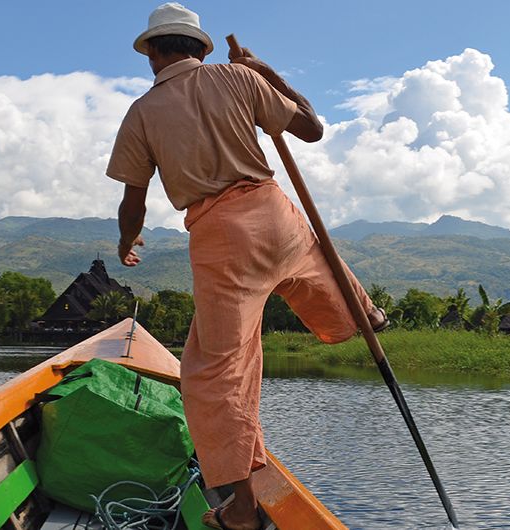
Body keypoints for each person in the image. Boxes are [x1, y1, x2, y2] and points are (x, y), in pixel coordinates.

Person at [106, 4, 387, 529]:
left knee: (215, 374)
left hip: (221, 235)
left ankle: (240, 509)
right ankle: (361, 313)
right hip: (276, 214)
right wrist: (265, 71)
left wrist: (128, 240)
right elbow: (312, 128)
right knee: (316, 264)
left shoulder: (142, 112)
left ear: (157, 52)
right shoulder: (239, 78)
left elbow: (134, 199)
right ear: (198, 48)